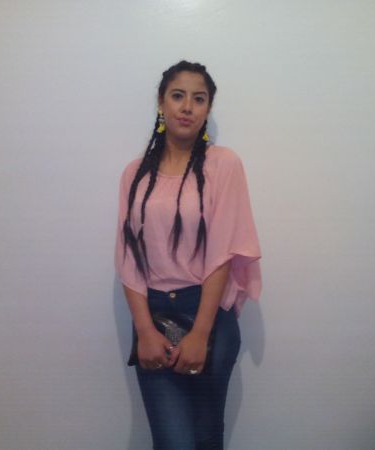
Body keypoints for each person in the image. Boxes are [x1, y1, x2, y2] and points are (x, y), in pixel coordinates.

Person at [115, 60, 262, 450]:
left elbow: (224, 251)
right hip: (152, 317)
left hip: (208, 314)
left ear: (208, 108)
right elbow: (128, 258)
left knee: (206, 438)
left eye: (199, 99)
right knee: (173, 442)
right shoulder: (134, 175)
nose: (187, 107)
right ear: (161, 103)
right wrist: (144, 330)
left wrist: (200, 333)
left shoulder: (223, 164)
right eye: (177, 96)